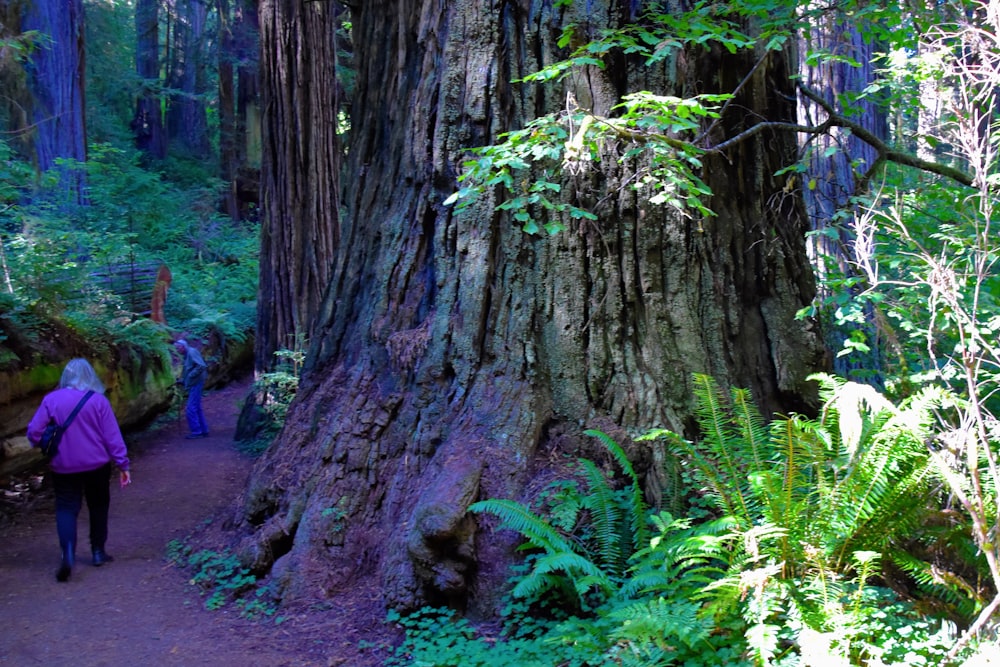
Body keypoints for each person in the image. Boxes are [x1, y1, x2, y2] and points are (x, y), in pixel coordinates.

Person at [26, 358, 132, 582]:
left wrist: (43, 444)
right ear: (89, 375)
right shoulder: (99, 401)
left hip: (63, 465)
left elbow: (34, 432)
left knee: (66, 508)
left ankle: (68, 553)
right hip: (96, 464)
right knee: (98, 505)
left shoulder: (51, 400)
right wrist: (123, 464)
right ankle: (97, 552)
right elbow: (112, 436)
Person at [175, 339, 209, 439]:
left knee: (191, 408)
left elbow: (201, 366)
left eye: (178, 348)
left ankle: (197, 432)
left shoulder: (191, 352)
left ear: (183, 346)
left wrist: (190, 376)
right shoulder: (187, 355)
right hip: (194, 383)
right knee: (197, 408)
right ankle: (204, 430)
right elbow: (190, 368)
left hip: (196, 383)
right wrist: (183, 380)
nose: (177, 350)